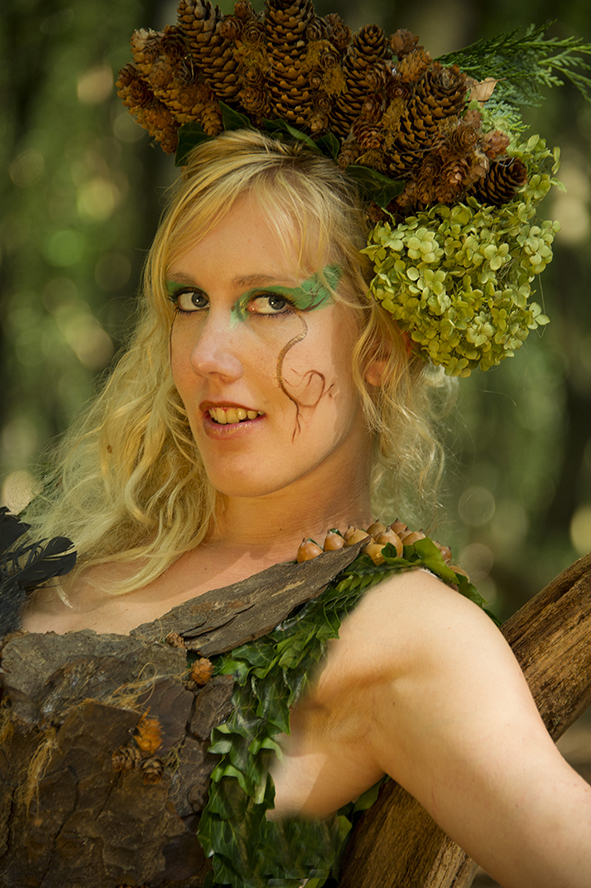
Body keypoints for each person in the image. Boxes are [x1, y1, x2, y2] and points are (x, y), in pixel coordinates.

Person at [3, 3, 591, 887]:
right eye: (191, 300)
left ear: (381, 347)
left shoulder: (401, 633)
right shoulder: (91, 560)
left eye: (272, 302)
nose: (207, 355)